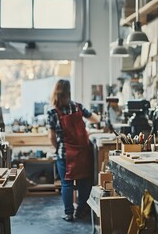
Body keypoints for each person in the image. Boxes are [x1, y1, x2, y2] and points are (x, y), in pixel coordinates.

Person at [47, 80, 100, 222]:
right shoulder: (78, 107)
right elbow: (95, 119)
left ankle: (69, 213)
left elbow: (52, 136)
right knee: (84, 181)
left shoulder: (52, 111)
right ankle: (81, 210)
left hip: (65, 153)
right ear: (69, 92)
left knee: (66, 183)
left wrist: (58, 148)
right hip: (83, 152)